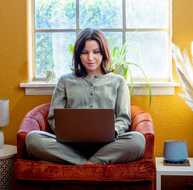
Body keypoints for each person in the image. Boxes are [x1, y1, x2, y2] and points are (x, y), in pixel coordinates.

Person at [25, 28, 146, 165]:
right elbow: (53, 118)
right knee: (32, 139)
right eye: (84, 52)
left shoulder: (118, 82)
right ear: (78, 54)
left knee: (138, 141)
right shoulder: (64, 81)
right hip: (70, 146)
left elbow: (123, 118)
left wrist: (112, 132)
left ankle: (80, 163)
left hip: (108, 145)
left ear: (103, 53)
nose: (90, 58)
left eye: (96, 52)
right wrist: (68, 133)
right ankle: (88, 164)